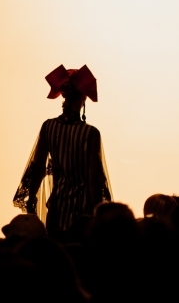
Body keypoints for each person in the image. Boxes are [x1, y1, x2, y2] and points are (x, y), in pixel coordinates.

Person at [13, 65, 112, 235]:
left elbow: (38, 167)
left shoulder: (49, 126)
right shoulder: (90, 133)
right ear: (83, 99)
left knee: (56, 247)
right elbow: (93, 178)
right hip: (83, 211)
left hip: (57, 207)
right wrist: (98, 214)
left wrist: (31, 198)